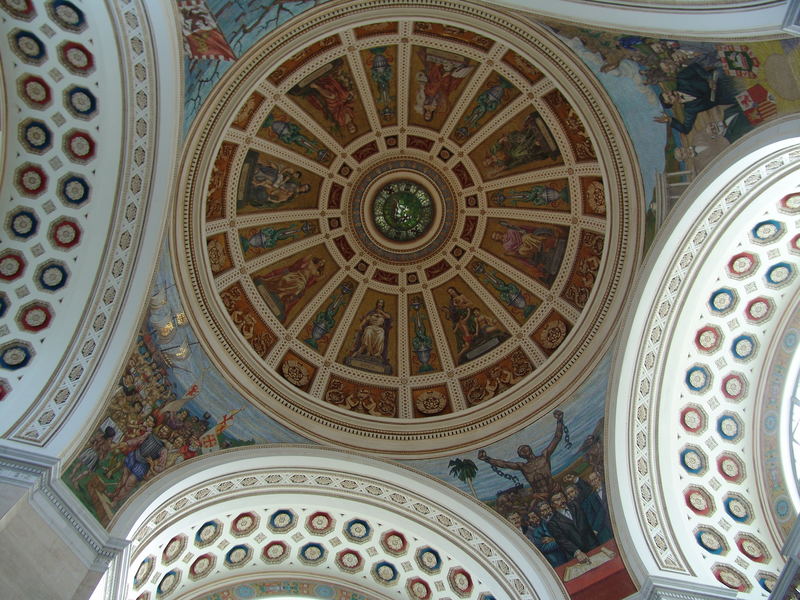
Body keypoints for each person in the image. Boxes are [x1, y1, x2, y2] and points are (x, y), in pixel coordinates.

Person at [477, 410, 564, 498]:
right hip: (540, 495)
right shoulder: (523, 467)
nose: (523, 450)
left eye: (524, 448)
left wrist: (560, 421)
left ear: (530, 448)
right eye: (521, 451)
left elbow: (557, 438)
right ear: (521, 456)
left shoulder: (544, 456)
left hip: (555, 489)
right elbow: (504, 464)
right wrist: (487, 459)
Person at [546, 491, 597, 563]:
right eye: (557, 500)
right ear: (552, 504)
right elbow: (562, 540)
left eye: (562, 497)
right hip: (577, 553)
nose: (562, 501)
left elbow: (586, 520)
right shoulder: (553, 522)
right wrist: (577, 552)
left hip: (592, 544)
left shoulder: (575, 505)